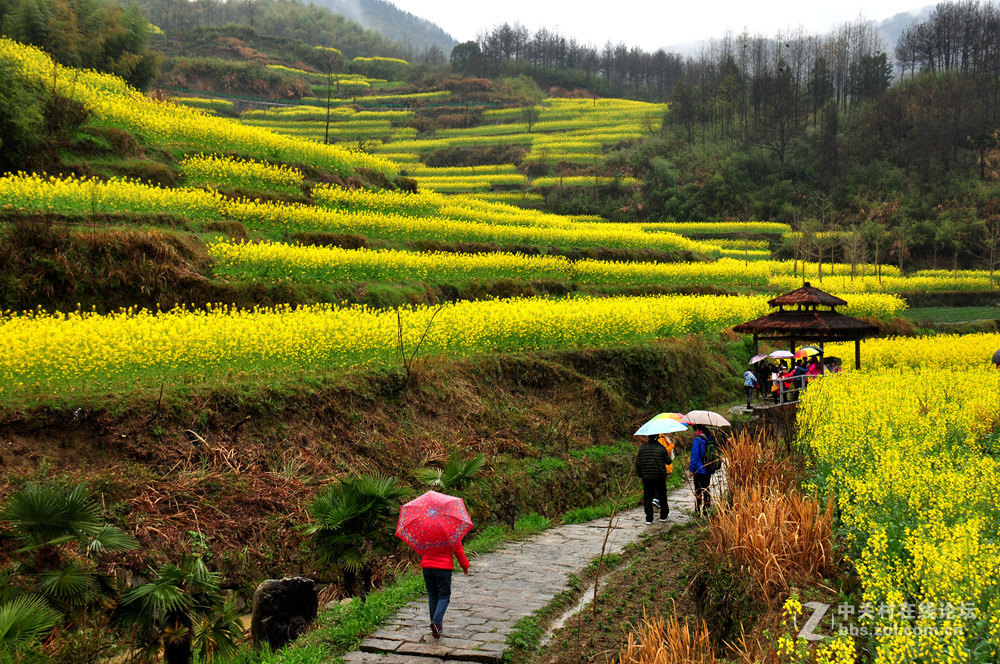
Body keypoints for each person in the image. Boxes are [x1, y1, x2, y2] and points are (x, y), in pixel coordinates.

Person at [420, 534, 470, 638]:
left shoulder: (426, 529)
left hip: (427, 567)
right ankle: (437, 623)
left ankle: (436, 626)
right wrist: (465, 566)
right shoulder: (450, 531)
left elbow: (420, 546)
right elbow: (458, 550)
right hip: (443, 568)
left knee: (433, 596)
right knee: (444, 596)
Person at [635, 434, 670, 525]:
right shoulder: (661, 448)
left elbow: (638, 463)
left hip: (646, 477)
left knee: (647, 497)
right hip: (660, 476)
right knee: (662, 495)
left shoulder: (642, 448)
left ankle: (649, 518)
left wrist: (640, 474)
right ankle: (663, 515)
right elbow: (668, 461)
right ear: (657, 437)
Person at [687, 428, 717, 516]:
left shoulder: (698, 440)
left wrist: (692, 470)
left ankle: (697, 510)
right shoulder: (711, 438)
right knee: (706, 489)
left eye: (694, 431)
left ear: (697, 429)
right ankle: (707, 510)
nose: (694, 433)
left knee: (698, 490)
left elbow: (694, 456)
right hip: (709, 469)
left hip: (699, 470)